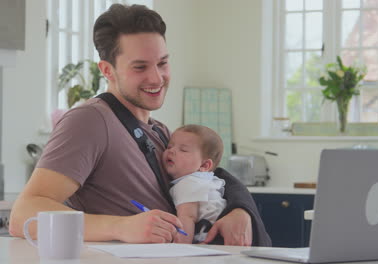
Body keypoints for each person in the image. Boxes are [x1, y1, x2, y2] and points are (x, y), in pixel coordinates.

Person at [9, 4, 271, 246]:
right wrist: (120, 227)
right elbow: (23, 215)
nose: (156, 77)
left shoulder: (160, 131)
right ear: (107, 70)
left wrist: (240, 210)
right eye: (140, 67)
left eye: (162, 63)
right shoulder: (89, 121)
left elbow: (208, 177)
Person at [164, 124, 227, 244]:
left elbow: (187, 218)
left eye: (183, 150)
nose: (171, 151)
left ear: (204, 166)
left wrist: (180, 248)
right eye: (169, 146)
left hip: (212, 239)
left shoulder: (188, 183)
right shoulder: (202, 180)